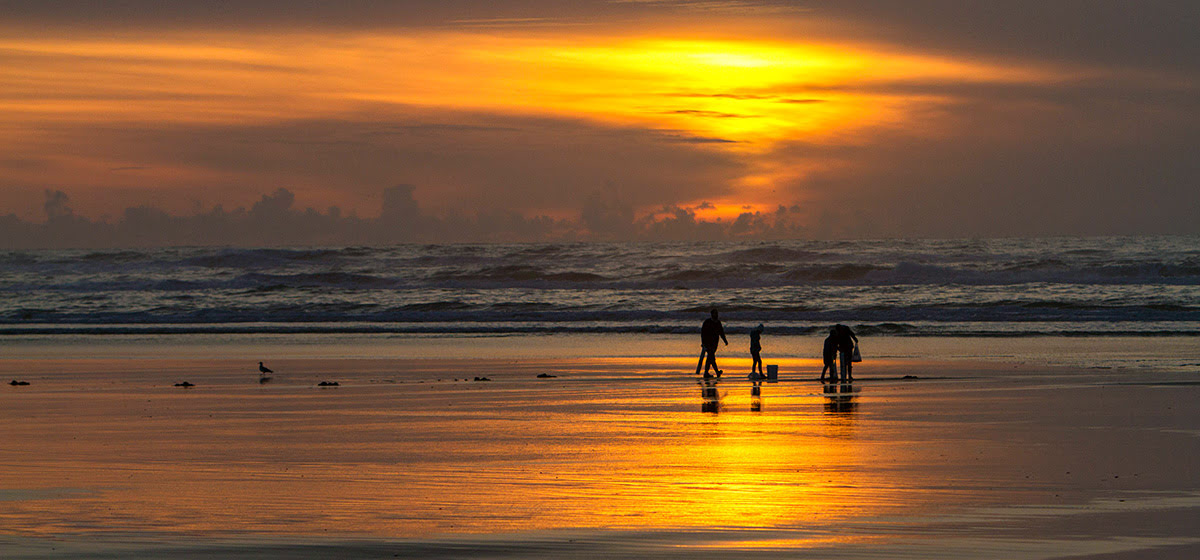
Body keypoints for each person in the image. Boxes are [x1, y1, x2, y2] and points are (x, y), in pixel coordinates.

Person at [697, 309, 728, 377]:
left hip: (715, 343)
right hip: (708, 342)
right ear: (712, 314)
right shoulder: (707, 322)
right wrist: (703, 342)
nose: (716, 315)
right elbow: (703, 333)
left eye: (717, 313)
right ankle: (714, 372)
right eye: (715, 313)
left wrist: (725, 340)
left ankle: (709, 372)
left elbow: (721, 332)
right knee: (711, 357)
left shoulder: (718, 323)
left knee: (710, 357)